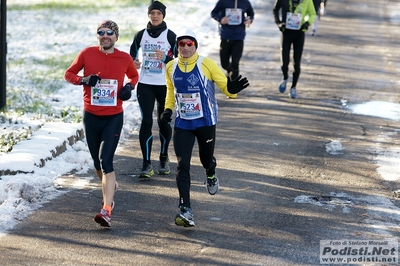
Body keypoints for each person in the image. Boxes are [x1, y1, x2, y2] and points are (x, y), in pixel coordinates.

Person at [160, 29, 249, 227]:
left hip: (205, 122)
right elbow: (171, 90)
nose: (184, 47)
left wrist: (231, 90)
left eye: (189, 44)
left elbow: (225, 86)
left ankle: (211, 171)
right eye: (181, 44)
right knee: (183, 165)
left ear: (195, 45)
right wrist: (168, 110)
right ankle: (186, 209)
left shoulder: (205, 64)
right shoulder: (170, 66)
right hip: (183, 124)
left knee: (205, 159)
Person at [64, 20, 139, 227]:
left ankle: (106, 209)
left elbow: (133, 75)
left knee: (106, 161)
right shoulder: (87, 53)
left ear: (116, 36)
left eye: (109, 33)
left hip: (113, 116)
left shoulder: (124, 57)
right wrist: (83, 80)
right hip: (91, 116)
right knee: (97, 163)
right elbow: (68, 74)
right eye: (101, 32)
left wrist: (129, 87)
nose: (105, 36)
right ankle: (109, 186)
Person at [129, 1, 177, 178]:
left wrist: (165, 58)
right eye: (152, 13)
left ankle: (164, 158)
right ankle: (146, 163)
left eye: (158, 13)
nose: (155, 16)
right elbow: (131, 54)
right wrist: (134, 62)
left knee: (164, 121)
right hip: (146, 84)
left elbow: (179, 62)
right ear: (148, 15)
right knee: (146, 122)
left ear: (163, 15)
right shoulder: (141, 35)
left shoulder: (171, 36)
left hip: (165, 85)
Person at [211, 0, 254, 98]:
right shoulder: (223, 1)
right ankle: (230, 71)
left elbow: (251, 13)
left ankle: (232, 91)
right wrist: (221, 19)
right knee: (224, 64)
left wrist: (249, 19)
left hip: (239, 37)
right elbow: (214, 13)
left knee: (235, 63)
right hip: (226, 36)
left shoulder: (245, 2)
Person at [273, 0, 316, 99]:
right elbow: (275, 9)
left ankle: (293, 87)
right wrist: (278, 22)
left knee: (297, 62)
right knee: (284, 62)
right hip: (286, 32)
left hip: (299, 33)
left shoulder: (307, 1)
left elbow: (312, 13)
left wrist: (307, 23)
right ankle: (285, 78)